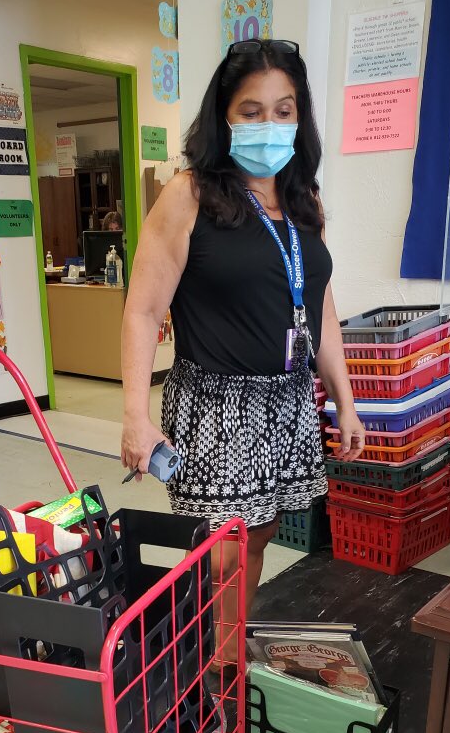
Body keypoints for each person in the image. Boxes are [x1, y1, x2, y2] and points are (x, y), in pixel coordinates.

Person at [121, 39, 365, 668]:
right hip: (217, 406)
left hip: (285, 401)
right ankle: (201, 670)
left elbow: (321, 310)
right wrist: (134, 416)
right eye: (251, 112)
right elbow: (143, 310)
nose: (269, 125)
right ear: (224, 116)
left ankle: (226, 661)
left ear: (300, 117)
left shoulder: (304, 200)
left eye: (284, 111)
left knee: (258, 539)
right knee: (221, 553)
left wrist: (346, 401)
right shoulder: (190, 195)